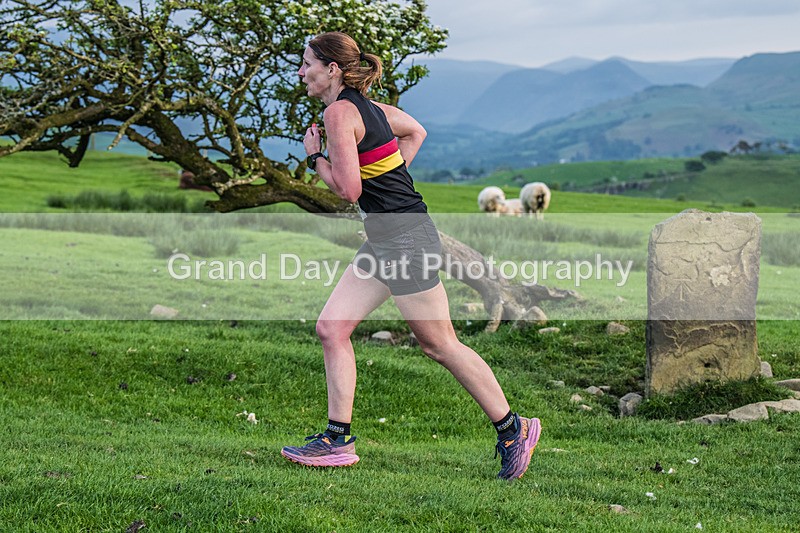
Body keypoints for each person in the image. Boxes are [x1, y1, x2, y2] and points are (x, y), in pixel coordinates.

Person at [280, 32, 541, 480]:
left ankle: (514, 429)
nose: (301, 72)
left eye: (307, 64)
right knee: (331, 328)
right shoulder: (372, 109)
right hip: (388, 237)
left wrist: (315, 158)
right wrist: (393, 177)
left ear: (332, 69)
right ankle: (336, 441)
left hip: (404, 239)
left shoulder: (339, 112)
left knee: (439, 344)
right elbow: (415, 131)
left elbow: (348, 190)